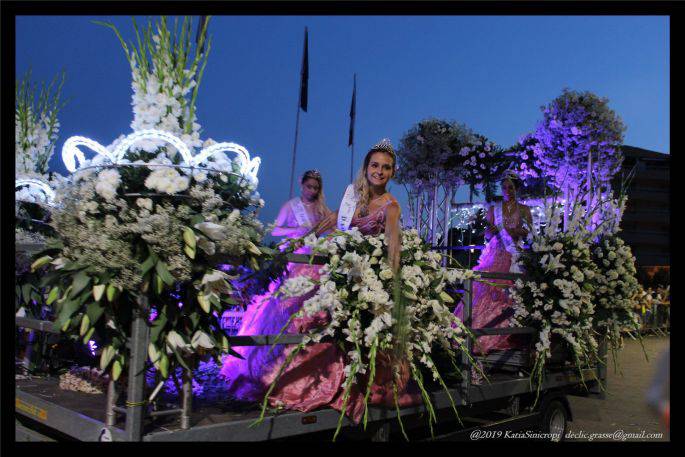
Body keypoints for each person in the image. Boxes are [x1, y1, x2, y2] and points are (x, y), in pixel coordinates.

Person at [220, 170, 331, 399]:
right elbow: (277, 229)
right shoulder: (291, 206)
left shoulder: (321, 208)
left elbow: (330, 225)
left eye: (315, 188)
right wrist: (297, 231)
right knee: (284, 308)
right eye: (309, 186)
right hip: (293, 261)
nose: (312, 191)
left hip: (314, 263)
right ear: (302, 185)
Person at [454, 172, 533, 355]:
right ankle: (471, 332)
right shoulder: (494, 209)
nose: (507, 191)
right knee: (484, 287)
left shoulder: (524, 210)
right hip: (495, 252)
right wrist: (490, 232)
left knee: (510, 291)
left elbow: (529, 233)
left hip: (514, 253)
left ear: (517, 188)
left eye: (511, 187)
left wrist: (515, 231)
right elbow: (487, 236)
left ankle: (505, 334)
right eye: (504, 187)